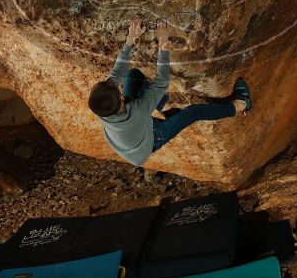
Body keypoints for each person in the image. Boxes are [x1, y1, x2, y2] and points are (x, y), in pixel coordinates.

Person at [88, 18, 253, 167]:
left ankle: (169, 111)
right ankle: (241, 105)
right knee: (193, 112)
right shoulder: (138, 111)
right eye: (119, 91)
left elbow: (117, 73)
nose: (118, 87)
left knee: (133, 75)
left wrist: (131, 39)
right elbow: (162, 81)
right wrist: (163, 41)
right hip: (150, 141)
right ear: (121, 99)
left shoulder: (99, 105)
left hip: (130, 134)